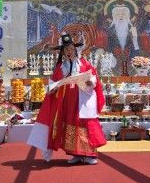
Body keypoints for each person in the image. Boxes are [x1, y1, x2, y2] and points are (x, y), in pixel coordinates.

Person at [27, 34, 106, 165]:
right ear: (63, 52)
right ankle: (75, 154)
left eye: (71, 49)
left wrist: (89, 82)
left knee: (84, 124)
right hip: (67, 101)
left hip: (82, 99)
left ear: (75, 50)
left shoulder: (85, 64)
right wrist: (53, 88)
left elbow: (94, 80)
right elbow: (52, 83)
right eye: (66, 50)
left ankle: (89, 155)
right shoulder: (61, 67)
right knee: (69, 124)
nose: (69, 51)